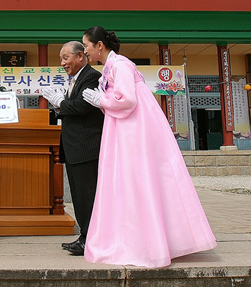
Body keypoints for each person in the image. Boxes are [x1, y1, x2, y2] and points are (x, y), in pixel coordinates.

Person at [80, 26, 217, 268]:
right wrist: (103, 101)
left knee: (135, 179)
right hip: (127, 126)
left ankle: (144, 243)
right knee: (131, 181)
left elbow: (127, 99)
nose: (85, 51)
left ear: (99, 45)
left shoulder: (120, 65)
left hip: (133, 129)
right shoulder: (113, 66)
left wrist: (101, 99)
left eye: (86, 46)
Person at [41, 41, 104, 256]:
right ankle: (85, 237)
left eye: (65, 58)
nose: (62, 63)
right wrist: (60, 104)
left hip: (86, 148)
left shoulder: (91, 77)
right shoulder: (76, 79)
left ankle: (91, 240)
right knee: (79, 197)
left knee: (88, 197)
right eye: (61, 59)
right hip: (76, 148)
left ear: (80, 56)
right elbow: (73, 109)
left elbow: (81, 107)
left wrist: (60, 103)